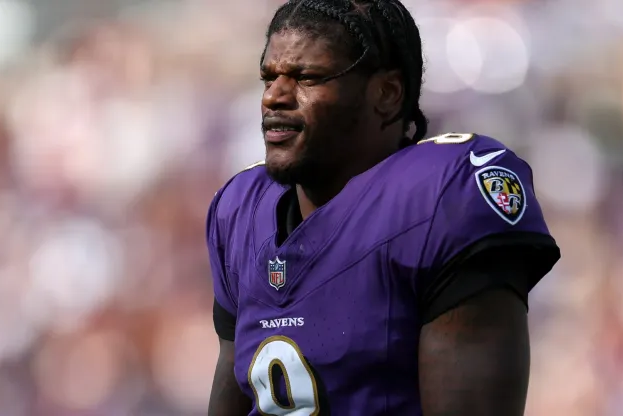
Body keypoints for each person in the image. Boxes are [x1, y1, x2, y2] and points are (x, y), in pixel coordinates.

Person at [206, 1, 560, 415]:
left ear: (387, 95)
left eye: (307, 77)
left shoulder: (441, 196)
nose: (274, 96)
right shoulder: (241, 209)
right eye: (269, 77)